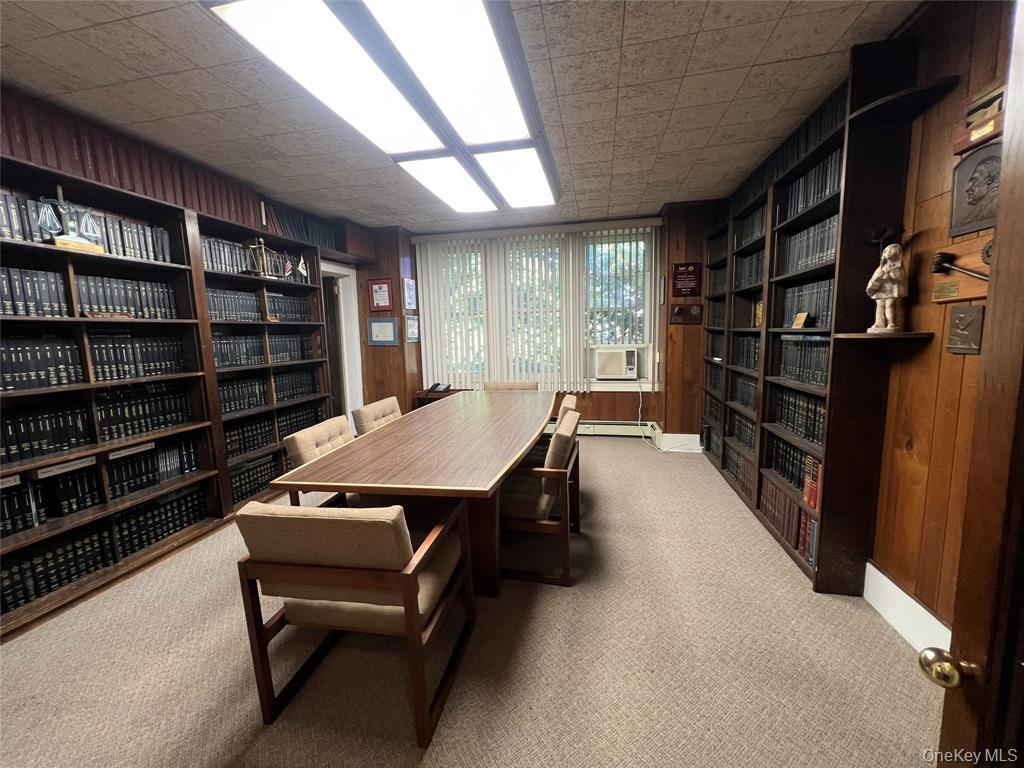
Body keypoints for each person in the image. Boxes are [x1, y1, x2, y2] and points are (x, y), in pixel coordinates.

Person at [866, 242, 907, 333]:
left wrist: (890, 275)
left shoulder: (898, 267)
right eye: (886, 252)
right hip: (881, 290)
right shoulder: (882, 267)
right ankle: (879, 323)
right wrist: (881, 275)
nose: (887, 254)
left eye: (890, 252)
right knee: (880, 306)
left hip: (891, 290)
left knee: (890, 305)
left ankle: (891, 323)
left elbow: (901, 278)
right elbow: (875, 277)